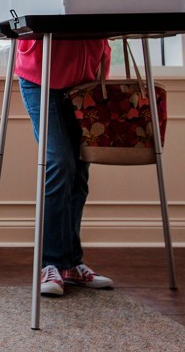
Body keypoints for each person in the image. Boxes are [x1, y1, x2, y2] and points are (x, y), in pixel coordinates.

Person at [15, 37, 115, 297]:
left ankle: (70, 263)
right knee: (59, 162)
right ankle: (50, 263)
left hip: (87, 78)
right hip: (41, 77)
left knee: (80, 169)